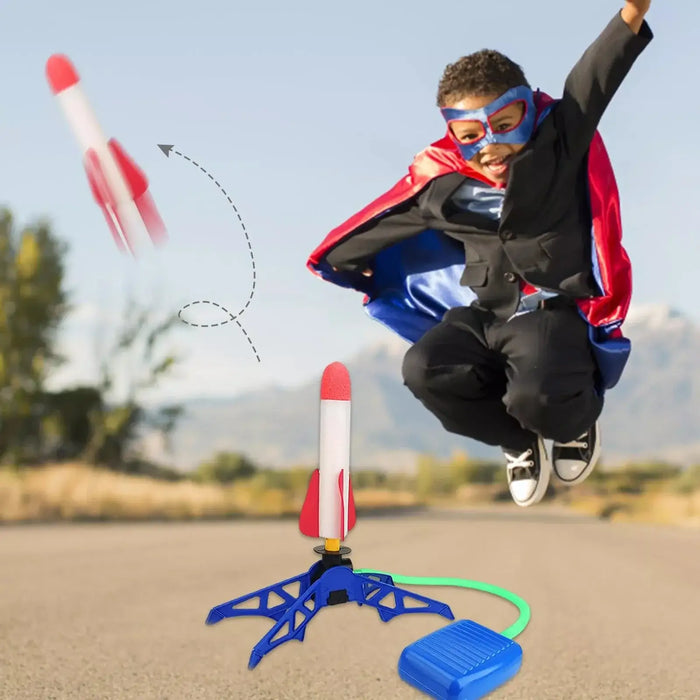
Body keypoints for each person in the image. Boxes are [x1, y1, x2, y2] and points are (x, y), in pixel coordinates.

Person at [307, 2, 653, 507]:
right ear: (455, 135)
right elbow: (386, 221)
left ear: (527, 112)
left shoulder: (560, 139)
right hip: (485, 312)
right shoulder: (438, 182)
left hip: (551, 311)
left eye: (504, 125)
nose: (490, 147)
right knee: (423, 369)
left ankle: (576, 424)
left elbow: (596, 73)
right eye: (472, 136)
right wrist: (337, 263)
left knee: (536, 396)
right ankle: (518, 443)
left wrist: (632, 13)